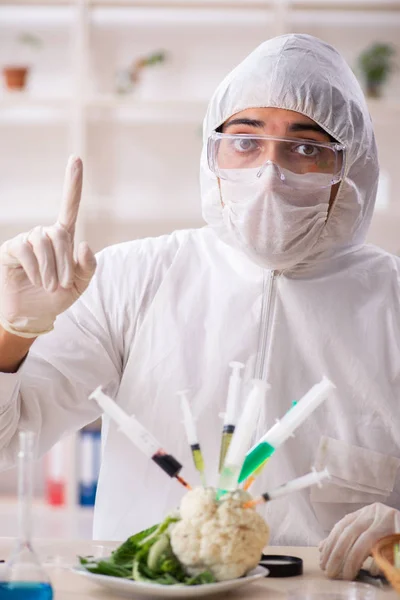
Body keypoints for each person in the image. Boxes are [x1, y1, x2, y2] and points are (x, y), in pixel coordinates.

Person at [0, 33, 399, 580]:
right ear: (212, 153)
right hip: (147, 589)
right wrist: (14, 333)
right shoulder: (130, 278)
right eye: (244, 141)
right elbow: (6, 445)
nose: (268, 175)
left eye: (306, 149)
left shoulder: (392, 302)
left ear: (352, 166)